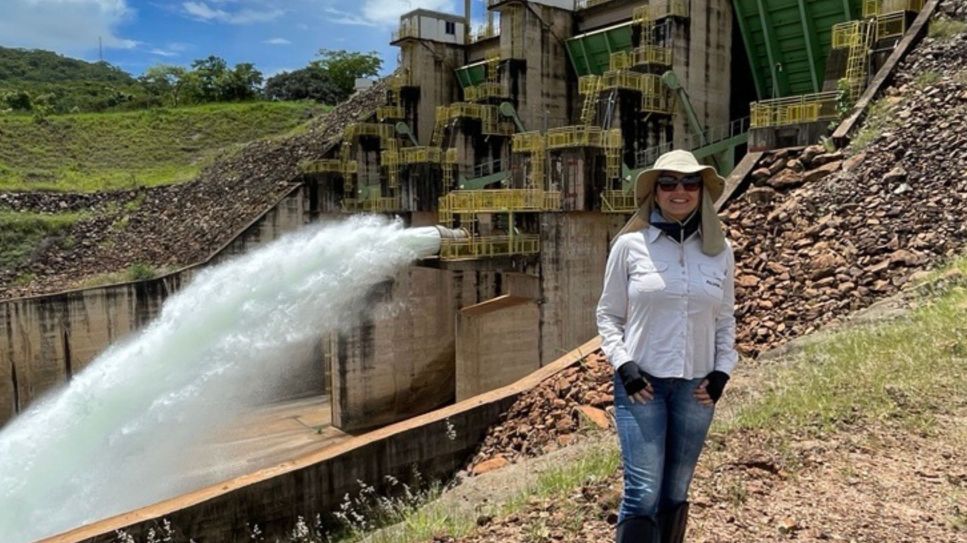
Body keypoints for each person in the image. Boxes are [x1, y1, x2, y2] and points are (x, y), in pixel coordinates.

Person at [596, 150, 738, 543]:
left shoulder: (720, 252)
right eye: (669, 183)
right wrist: (625, 367)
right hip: (642, 389)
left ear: (701, 192)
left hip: (696, 391)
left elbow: (725, 318)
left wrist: (722, 372)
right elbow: (608, 316)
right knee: (643, 493)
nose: (680, 191)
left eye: (690, 183)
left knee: (676, 492)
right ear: (655, 193)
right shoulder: (629, 246)